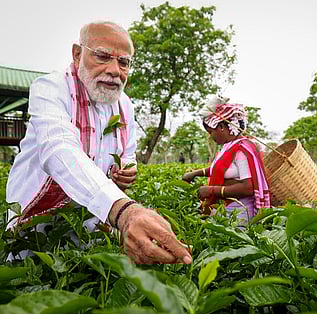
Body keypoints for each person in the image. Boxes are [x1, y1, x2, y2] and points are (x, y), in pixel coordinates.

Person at [6, 21, 191, 265]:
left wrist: (126, 170)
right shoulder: (51, 88)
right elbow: (58, 149)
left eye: (123, 62)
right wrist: (124, 211)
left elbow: (128, 154)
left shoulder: (124, 105)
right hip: (37, 233)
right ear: (77, 54)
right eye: (103, 56)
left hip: (92, 228)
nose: (115, 70)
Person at [182, 95, 271, 224]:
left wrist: (211, 190)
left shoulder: (241, 149)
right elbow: (221, 168)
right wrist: (195, 173)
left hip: (242, 212)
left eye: (211, 131)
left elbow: (248, 188)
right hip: (229, 207)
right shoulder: (229, 146)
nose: (210, 136)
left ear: (222, 127)